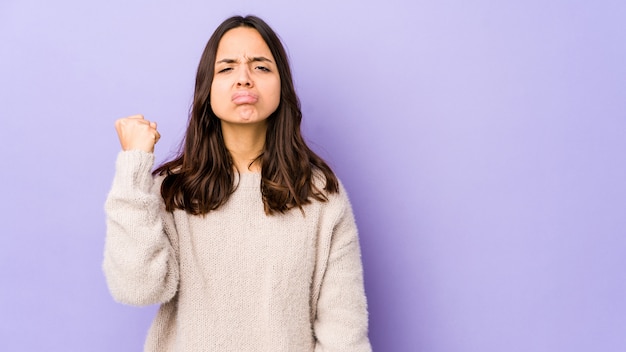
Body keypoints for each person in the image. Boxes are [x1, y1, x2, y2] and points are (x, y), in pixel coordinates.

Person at [103, 15, 371, 351]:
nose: (243, 78)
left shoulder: (319, 195)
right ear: (207, 88)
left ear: (282, 86)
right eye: (227, 68)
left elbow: (344, 335)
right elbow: (137, 288)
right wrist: (133, 166)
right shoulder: (172, 191)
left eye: (260, 67)